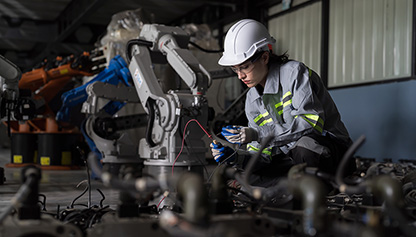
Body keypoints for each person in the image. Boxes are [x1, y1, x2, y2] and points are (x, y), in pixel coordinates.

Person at [210, 19, 355, 187]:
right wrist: (236, 157)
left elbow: (310, 124)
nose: (240, 76)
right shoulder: (251, 99)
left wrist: (256, 134)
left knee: (305, 147)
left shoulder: (294, 73)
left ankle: (313, 190)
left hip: (328, 153)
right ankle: (293, 186)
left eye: (244, 67)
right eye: (236, 69)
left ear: (264, 57)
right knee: (248, 176)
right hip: (292, 158)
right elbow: (262, 156)